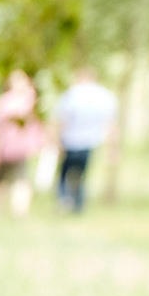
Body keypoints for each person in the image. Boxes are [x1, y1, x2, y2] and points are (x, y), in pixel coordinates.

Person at [53, 68, 118, 214]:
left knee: (65, 173)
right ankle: (78, 205)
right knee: (81, 174)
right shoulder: (104, 96)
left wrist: (56, 140)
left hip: (70, 140)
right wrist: (112, 148)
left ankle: (64, 199)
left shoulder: (71, 94)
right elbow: (110, 124)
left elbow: (61, 119)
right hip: (90, 142)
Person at [0, 70, 45, 219]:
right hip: (5, 147)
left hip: (21, 148)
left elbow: (36, 125)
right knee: (2, 181)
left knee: (21, 181)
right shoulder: (6, 101)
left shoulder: (30, 101)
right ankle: (0, 211)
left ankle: (19, 212)